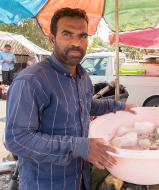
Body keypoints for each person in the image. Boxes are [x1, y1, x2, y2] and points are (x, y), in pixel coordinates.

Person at [5, 8, 134, 190]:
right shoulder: (31, 81)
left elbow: (87, 105)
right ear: (52, 39)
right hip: (46, 183)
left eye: (82, 36)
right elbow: (17, 139)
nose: (76, 43)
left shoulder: (82, 76)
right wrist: (80, 146)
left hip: (80, 178)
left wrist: (118, 106)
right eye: (67, 35)